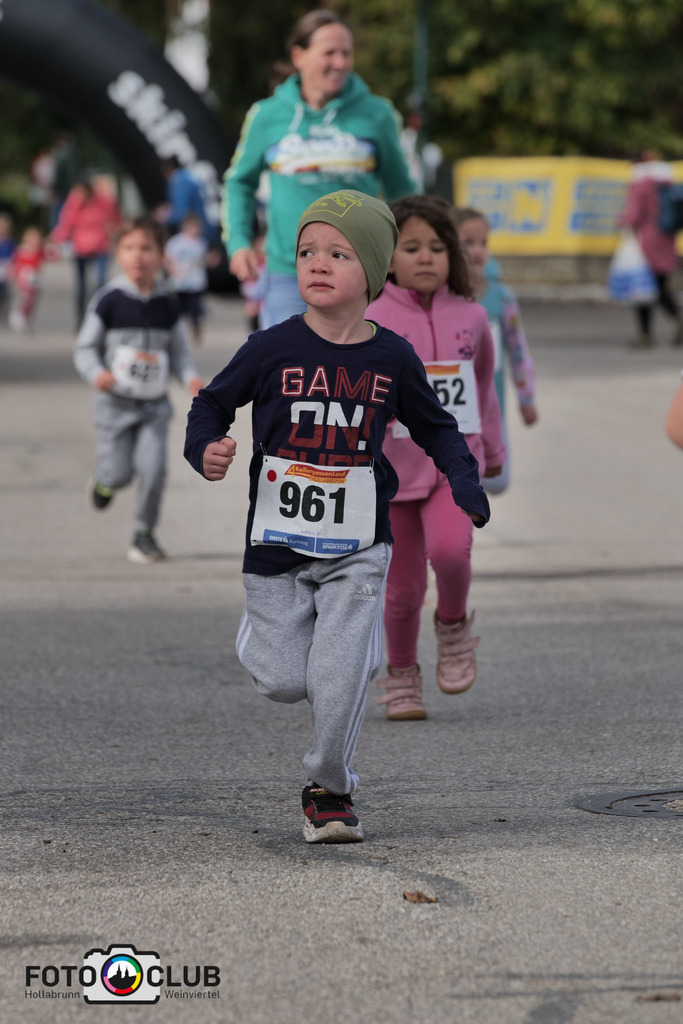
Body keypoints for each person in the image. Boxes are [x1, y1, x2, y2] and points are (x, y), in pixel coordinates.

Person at [184, 190, 490, 843]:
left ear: (374, 273)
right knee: (285, 681)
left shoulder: (391, 358)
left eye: (338, 253)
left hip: (357, 545)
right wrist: (203, 448)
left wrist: (463, 480)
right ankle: (261, 642)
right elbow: (209, 406)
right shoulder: (269, 348)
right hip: (275, 544)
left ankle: (330, 791)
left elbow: (438, 430)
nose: (316, 264)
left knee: (338, 675)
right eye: (306, 252)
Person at [366, 195, 505, 721]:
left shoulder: (472, 316)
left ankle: (452, 627)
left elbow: (486, 385)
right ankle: (402, 673)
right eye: (411, 247)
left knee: (451, 552)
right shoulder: (373, 319)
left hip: (454, 466)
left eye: (437, 247)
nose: (426, 257)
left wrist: (492, 447)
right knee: (401, 590)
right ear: (388, 257)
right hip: (393, 474)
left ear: (454, 255)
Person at [223, 9, 417, 329]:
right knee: (286, 375)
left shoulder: (378, 113)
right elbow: (238, 184)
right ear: (299, 56)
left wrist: (405, 252)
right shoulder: (266, 115)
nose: (340, 63)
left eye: (346, 53)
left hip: (362, 275)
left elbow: (403, 193)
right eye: (330, 53)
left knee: (359, 374)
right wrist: (239, 242)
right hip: (289, 274)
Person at [74, 216, 203, 564]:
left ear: (161, 256)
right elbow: (85, 348)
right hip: (113, 404)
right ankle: (103, 481)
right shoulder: (109, 300)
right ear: (118, 253)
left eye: (147, 248)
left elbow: (178, 354)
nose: (138, 256)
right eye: (129, 248)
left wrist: (190, 377)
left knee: (154, 467)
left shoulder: (168, 304)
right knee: (119, 473)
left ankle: (143, 533)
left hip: (154, 407)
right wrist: (96, 373)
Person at [454, 207, 538, 494]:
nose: (478, 250)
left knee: (497, 480)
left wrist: (526, 396)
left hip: (492, 407)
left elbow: (517, 350)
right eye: (468, 242)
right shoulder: (442, 296)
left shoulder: (501, 297)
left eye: (484, 243)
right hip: (450, 412)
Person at [618, 149, 683, 348]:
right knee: (661, 288)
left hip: (646, 244)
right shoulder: (666, 183)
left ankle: (645, 334)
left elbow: (635, 215)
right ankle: (675, 319)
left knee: (641, 290)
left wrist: (620, 221)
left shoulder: (641, 185)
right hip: (666, 241)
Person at [51, 176, 121, 329]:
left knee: (101, 283)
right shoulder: (75, 202)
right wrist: (57, 240)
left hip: (101, 246)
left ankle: (101, 317)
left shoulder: (104, 202)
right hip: (80, 248)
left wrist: (120, 238)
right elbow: (66, 222)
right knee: (81, 286)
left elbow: (116, 219)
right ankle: (80, 319)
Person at [164, 212, 213, 344]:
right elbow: (168, 258)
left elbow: (202, 259)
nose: (196, 230)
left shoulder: (201, 242)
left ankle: (196, 330)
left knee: (195, 309)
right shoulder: (177, 242)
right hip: (179, 283)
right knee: (177, 309)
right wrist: (173, 271)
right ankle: (175, 331)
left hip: (196, 282)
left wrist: (211, 260)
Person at [8, 226, 57, 333]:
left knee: (33, 300)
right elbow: (15, 264)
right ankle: (18, 315)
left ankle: (27, 318)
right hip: (24, 279)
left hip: (36, 279)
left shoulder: (40, 251)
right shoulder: (21, 250)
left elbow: (53, 257)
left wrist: (51, 245)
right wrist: (15, 275)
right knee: (25, 298)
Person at [159, 157, 211, 240]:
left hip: (199, 234)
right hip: (207, 227)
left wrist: (165, 218)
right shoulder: (189, 177)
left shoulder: (180, 182)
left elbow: (181, 212)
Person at [0, 212, 17, 322]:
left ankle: (4, 313)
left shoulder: (11, 242)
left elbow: (16, 256)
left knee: (6, 294)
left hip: (6, 271)